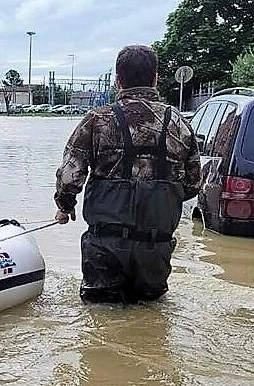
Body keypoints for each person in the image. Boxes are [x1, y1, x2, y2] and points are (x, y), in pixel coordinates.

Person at [54, 45, 201, 305]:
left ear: (117, 80)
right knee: (152, 319)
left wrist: (65, 207)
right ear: (155, 77)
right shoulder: (179, 123)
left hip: (105, 246)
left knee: (100, 318)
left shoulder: (97, 120)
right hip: (155, 247)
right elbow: (192, 184)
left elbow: (70, 174)